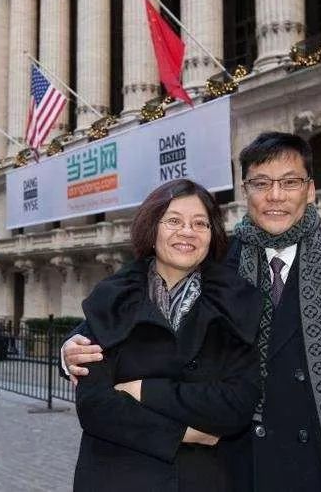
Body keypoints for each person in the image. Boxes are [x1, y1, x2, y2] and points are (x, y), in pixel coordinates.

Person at [63, 133, 321, 492]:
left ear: (310, 190)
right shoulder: (214, 257)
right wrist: (68, 351)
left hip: (316, 469)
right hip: (233, 466)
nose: (275, 196)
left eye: (290, 182)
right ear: (245, 191)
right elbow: (115, 320)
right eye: (261, 183)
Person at [68, 179, 263, 492]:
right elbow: (95, 406)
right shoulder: (112, 297)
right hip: (116, 479)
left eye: (200, 223)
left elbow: (236, 404)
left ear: (212, 234)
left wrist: (144, 390)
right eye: (173, 221)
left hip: (202, 481)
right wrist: (186, 433)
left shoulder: (237, 302)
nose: (187, 232)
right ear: (151, 228)